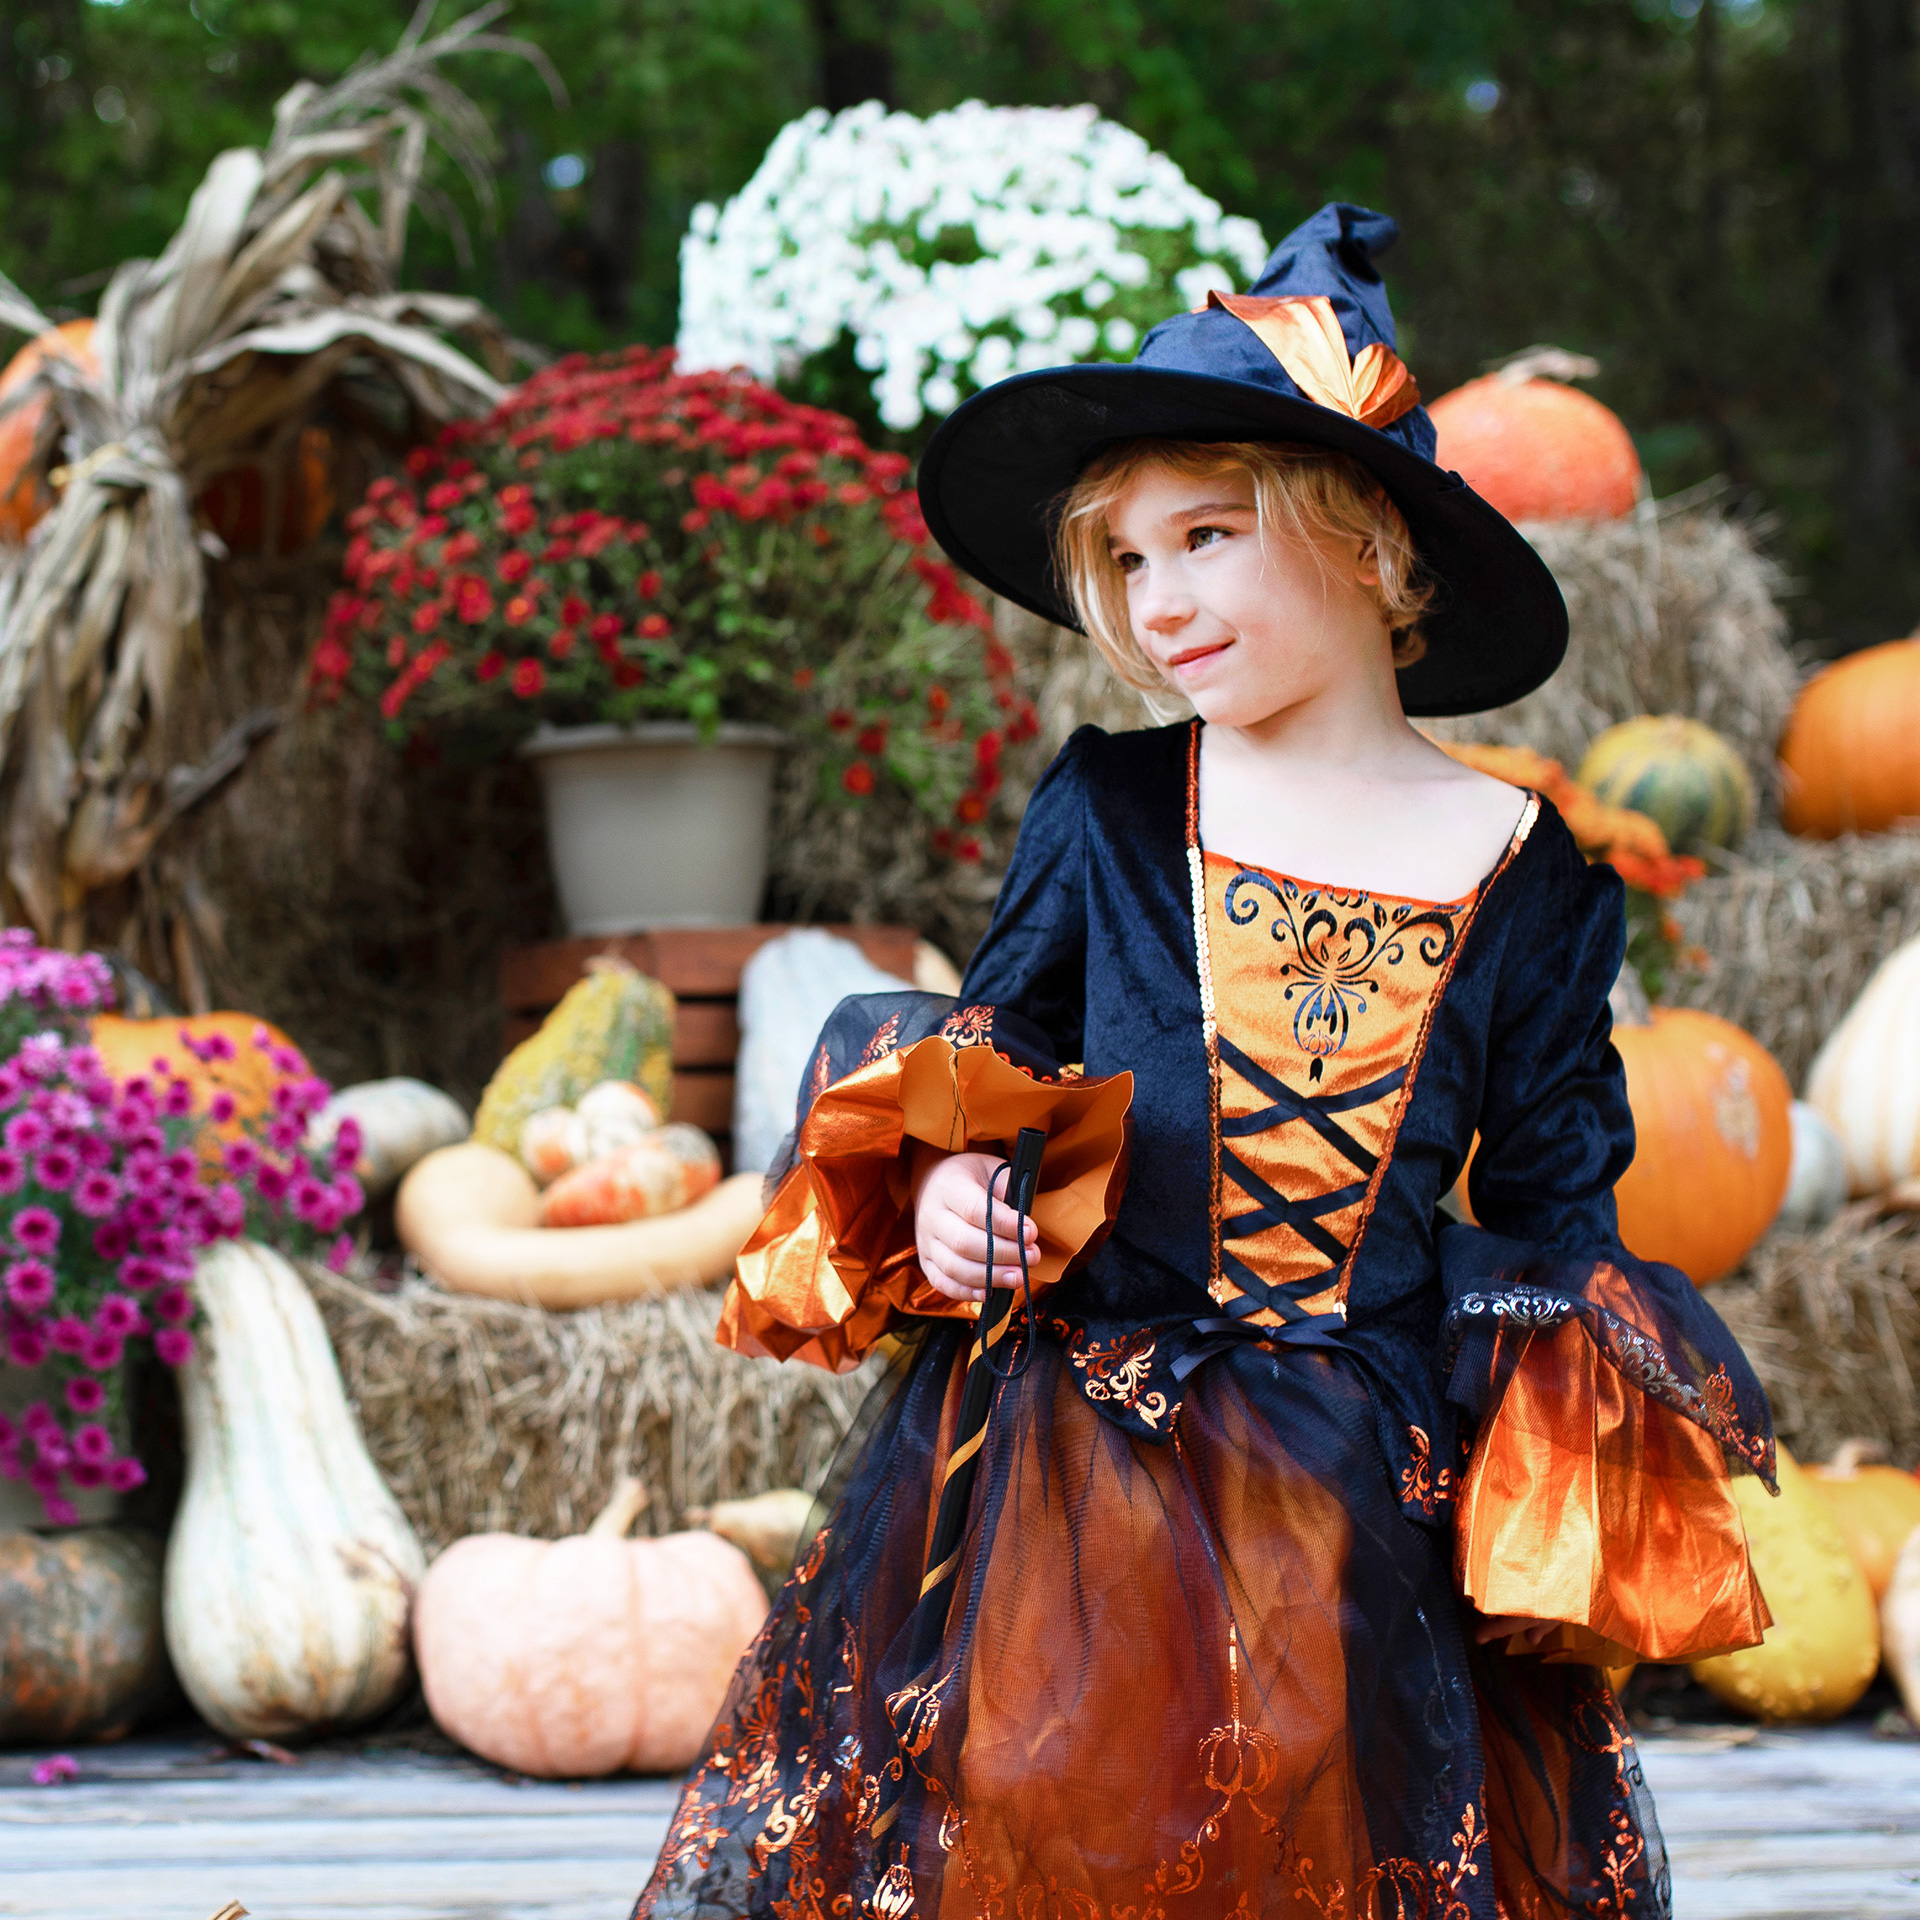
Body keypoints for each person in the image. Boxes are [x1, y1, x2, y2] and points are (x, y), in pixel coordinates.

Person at [632, 203, 1772, 1920]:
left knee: (1321, 1818)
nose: (1162, 602)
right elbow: (990, 1058)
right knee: (1043, 1803)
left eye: (1209, 536)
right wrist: (947, 1188)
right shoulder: (1110, 809)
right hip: (1082, 1453)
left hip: (1367, 1474)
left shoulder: (1530, 879)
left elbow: (1554, 1214)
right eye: (1129, 562)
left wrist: (1554, 1495)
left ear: (1371, 541)